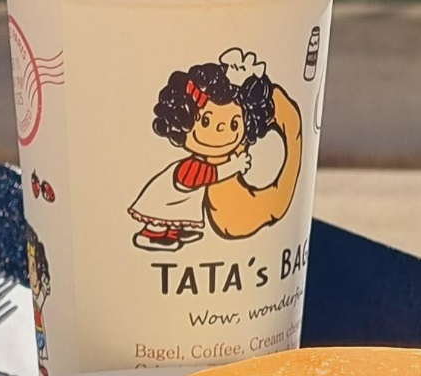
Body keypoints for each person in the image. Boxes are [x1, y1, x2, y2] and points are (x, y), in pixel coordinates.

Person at [129, 47, 303, 251]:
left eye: (234, 124)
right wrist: (234, 166)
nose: (221, 130)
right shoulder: (189, 168)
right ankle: (152, 235)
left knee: (176, 213)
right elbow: (209, 175)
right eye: (206, 121)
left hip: (181, 203)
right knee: (161, 217)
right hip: (164, 201)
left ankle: (174, 231)